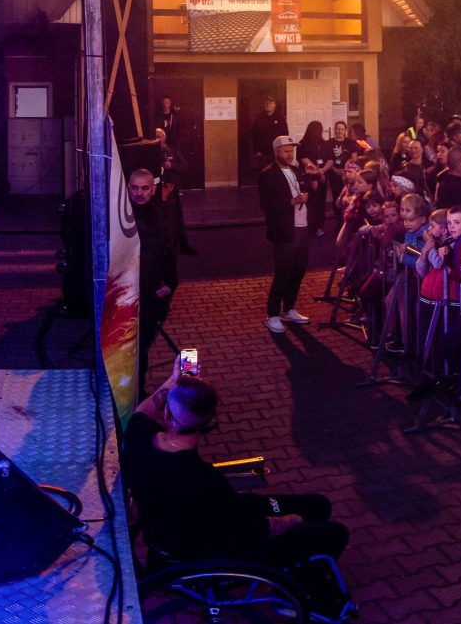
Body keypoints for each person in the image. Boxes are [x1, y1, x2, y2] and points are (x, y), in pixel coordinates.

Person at [124, 374, 350, 613]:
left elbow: (144, 409)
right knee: (334, 530)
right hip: (208, 548)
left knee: (317, 505)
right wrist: (294, 520)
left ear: (168, 414)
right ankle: (299, 597)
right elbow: (255, 530)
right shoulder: (205, 481)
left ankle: (300, 574)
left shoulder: (140, 437)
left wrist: (172, 380)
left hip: (169, 533)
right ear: (209, 422)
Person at [129, 167, 184, 374]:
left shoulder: (160, 215)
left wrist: (171, 283)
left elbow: (169, 251)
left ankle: (138, 393)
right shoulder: (122, 216)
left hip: (151, 291)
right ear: (128, 188)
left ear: (152, 189)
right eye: (134, 188)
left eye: (144, 188)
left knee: (142, 344)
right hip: (127, 290)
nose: (139, 193)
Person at [259, 135, 314, 334]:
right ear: (276, 152)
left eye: (292, 150)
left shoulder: (295, 169)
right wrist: (293, 202)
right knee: (283, 273)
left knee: (298, 270)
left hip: (301, 227)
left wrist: (310, 180)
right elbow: (267, 205)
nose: (290, 154)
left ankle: (288, 309)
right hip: (284, 230)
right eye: (286, 151)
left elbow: (303, 191)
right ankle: (272, 315)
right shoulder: (268, 174)